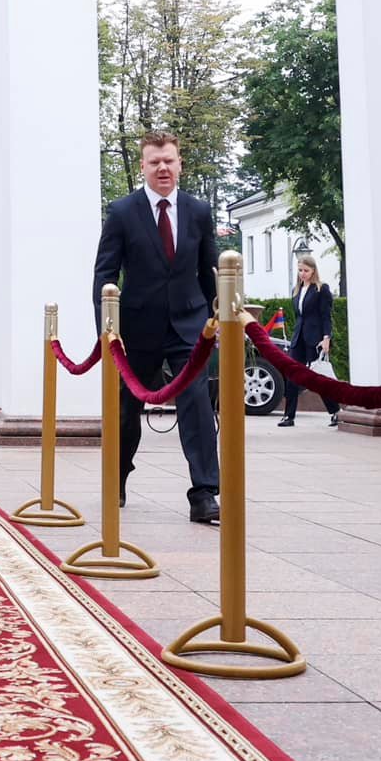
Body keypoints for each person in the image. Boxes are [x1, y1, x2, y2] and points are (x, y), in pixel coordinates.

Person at [93, 131, 220, 524]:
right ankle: (116, 478)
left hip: (190, 327)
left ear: (180, 163)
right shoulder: (122, 212)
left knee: (197, 404)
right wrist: (107, 333)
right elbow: (104, 275)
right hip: (136, 330)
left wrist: (216, 326)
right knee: (126, 411)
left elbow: (209, 271)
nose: (162, 168)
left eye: (169, 160)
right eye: (154, 162)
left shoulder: (198, 211)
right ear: (143, 167)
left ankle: (204, 493)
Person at [279, 255, 339, 428]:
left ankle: (335, 411)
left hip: (315, 339)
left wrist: (326, 337)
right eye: (300, 270)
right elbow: (300, 316)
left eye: (306, 270)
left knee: (318, 378)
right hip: (298, 338)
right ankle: (288, 416)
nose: (303, 274)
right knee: (292, 375)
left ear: (313, 271)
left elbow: (326, 316)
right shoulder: (296, 290)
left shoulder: (321, 289)